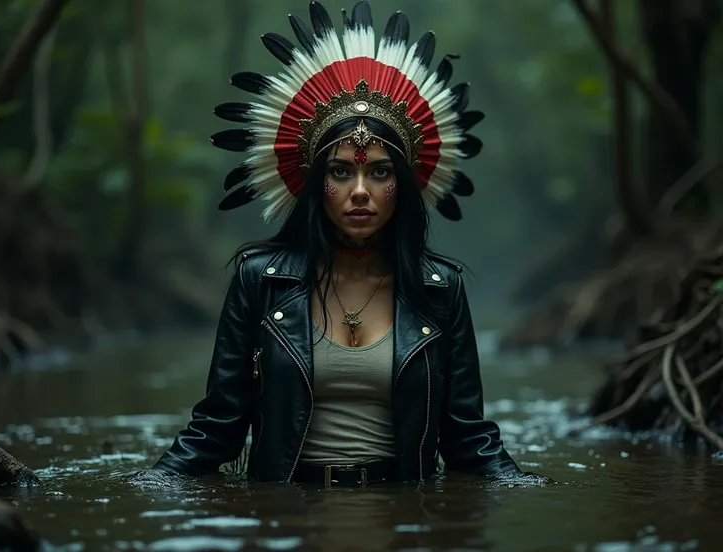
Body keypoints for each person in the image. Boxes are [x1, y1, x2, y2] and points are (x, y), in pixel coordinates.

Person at [135, 0, 547, 487]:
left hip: (403, 517)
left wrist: (526, 487)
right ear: (316, 185)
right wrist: (148, 486)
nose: (359, 191)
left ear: (402, 187)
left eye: (378, 172)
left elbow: (468, 438)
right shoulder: (258, 281)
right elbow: (217, 427)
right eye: (340, 171)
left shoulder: (441, 290)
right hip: (288, 517)